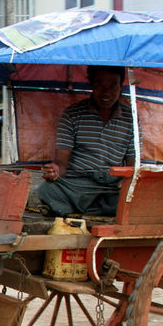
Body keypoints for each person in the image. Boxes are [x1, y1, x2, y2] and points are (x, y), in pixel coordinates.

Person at [37, 65, 136, 216]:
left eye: (113, 86)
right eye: (99, 85)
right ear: (91, 85)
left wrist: (127, 181)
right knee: (47, 190)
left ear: (121, 86)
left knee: (135, 196)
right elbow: (62, 164)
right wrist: (55, 171)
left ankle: (80, 211)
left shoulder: (131, 118)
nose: (106, 92)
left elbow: (133, 161)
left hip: (112, 186)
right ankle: (99, 212)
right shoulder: (72, 114)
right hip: (79, 184)